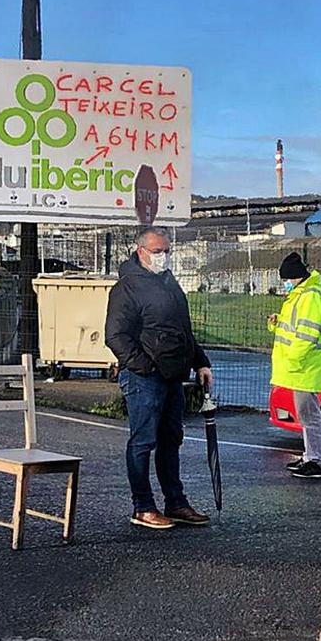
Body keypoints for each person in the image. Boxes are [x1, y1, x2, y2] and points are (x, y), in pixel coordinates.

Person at [105, 227, 213, 530]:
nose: (163, 256)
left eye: (167, 250)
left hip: (172, 377)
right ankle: (142, 506)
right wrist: (146, 367)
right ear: (141, 251)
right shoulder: (127, 287)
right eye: (157, 251)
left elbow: (182, 330)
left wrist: (200, 362)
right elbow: (116, 336)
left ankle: (175, 502)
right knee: (143, 442)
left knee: (171, 441)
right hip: (144, 378)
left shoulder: (169, 283)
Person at [269, 252, 321, 479]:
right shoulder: (302, 295)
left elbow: (308, 334)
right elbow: (296, 328)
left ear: (294, 277)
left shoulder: (310, 296)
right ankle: (310, 456)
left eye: (286, 279)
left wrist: (293, 360)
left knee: (309, 415)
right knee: (306, 415)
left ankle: (317, 461)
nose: (285, 284)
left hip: (305, 366)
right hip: (301, 366)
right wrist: (278, 322)